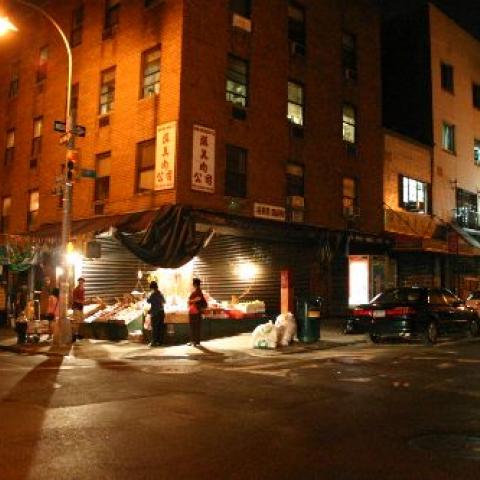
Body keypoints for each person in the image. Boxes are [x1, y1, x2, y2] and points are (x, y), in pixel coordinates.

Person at [188, 278, 206, 346]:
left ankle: (193, 341)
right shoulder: (199, 291)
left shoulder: (197, 292)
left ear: (194, 284)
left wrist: (190, 301)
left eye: (193, 283)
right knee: (197, 327)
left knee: (193, 326)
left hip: (194, 311)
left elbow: (197, 299)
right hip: (198, 311)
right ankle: (197, 341)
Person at [147, 281, 166, 347]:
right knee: (160, 328)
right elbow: (164, 301)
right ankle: (160, 342)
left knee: (155, 328)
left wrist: (148, 296)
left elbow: (148, 301)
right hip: (161, 312)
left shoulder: (153, 294)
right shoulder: (161, 293)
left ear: (152, 288)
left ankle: (154, 342)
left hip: (155, 313)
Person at [72, 277, 86, 341]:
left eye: (82, 282)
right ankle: (74, 335)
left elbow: (83, 298)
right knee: (76, 322)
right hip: (76, 307)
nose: (81, 283)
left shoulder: (83, 289)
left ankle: (79, 334)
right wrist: (81, 302)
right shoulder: (76, 290)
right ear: (79, 282)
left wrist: (84, 301)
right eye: (80, 282)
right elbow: (75, 299)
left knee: (81, 321)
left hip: (81, 307)